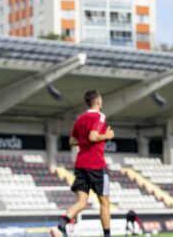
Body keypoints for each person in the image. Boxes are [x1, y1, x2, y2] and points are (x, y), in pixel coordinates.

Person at [51, 90, 115, 237]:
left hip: (81, 165)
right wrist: (107, 135)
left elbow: (72, 141)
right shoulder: (100, 116)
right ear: (98, 101)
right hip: (96, 164)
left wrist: (86, 140)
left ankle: (59, 227)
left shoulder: (80, 118)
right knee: (105, 202)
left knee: (81, 202)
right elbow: (93, 137)